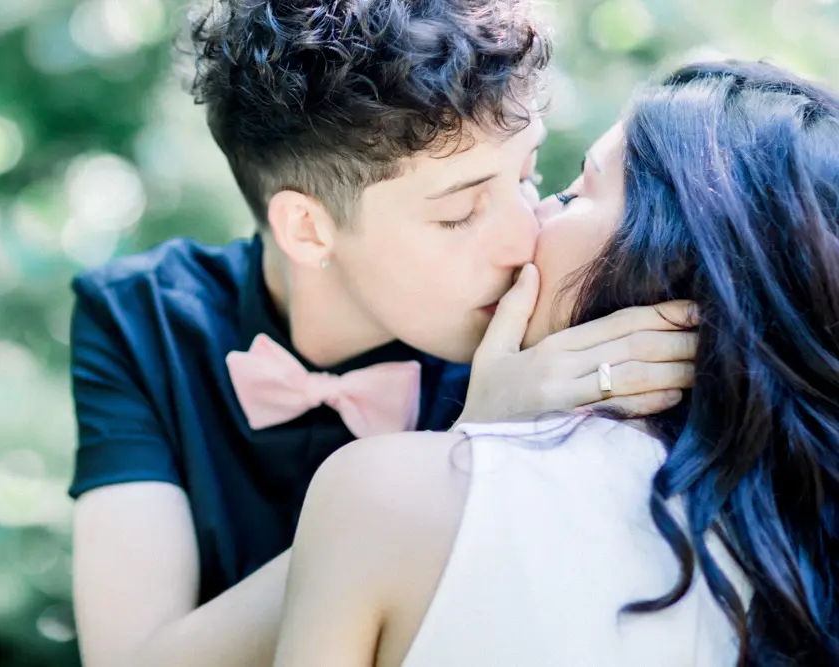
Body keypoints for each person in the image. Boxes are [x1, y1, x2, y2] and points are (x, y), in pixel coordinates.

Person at [68, 1, 697, 666]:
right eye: (459, 213)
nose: (527, 234)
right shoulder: (142, 319)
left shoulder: (538, 343)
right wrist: (462, 452)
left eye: (527, 173)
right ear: (308, 229)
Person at [274, 60, 839, 667]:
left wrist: (467, 445)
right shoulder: (805, 547)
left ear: (672, 253)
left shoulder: (388, 496)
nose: (529, 226)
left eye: (572, 192)